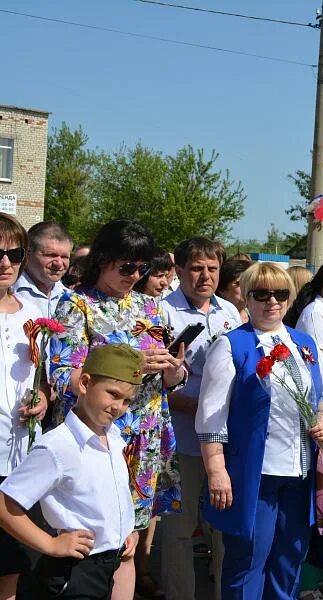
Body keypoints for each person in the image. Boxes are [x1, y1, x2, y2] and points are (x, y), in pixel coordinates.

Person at [48, 219, 185, 599]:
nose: (135, 276)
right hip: (96, 441)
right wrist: (131, 365)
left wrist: (173, 368)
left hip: (143, 440)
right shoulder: (77, 304)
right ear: (103, 259)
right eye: (127, 267)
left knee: (127, 544)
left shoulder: (150, 307)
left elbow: (166, 382)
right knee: (87, 542)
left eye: (142, 268)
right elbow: (64, 377)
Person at [195, 262, 323, 599]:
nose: (272, 301)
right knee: (248, 561)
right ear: (246, 297)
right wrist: (217, 470)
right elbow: (211, 418)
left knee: (290, 561)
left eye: (281, 293)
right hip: (254, 476)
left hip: (301, 475)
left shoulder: (305, 344)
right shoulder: (230, 346)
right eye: (262, 294)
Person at [0, 344, 142, 600]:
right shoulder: (58, 446)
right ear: (85, 383)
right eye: (112, 394)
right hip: (74, 572)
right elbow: (4, 503)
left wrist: (126, 530)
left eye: (127, 401)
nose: (118, 407)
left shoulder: (116, 438)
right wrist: (50, 544)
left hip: (108, 566)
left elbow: (111, 493)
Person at [160, 237, 241, 600]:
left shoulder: (230, 312)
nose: (205, 276)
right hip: (180, 440)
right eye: (196, 268)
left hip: (224, 443)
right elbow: (153, 383)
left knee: (224, 530)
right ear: (179, 270)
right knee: (179, 530)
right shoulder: (162, 312)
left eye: (212, 269)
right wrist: (198, 407)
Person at [0, 214, 46, 598]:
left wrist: (42, 400)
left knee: (12, 560)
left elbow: (40, 382)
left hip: (17, 456)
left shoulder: (33, 317)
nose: (5, 263)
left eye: (14, 254)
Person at [13, 221, 72, 318]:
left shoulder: (70, 297)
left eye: (65, 257)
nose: (59, 263)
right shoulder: (8, 292)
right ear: (28, 254)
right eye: (51, 255)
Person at [216, 258, 252, 324]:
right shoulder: (215, 320)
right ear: (222, 290)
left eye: (251, 282)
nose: (248, 287)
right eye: (241, 283)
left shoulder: (257, 317)